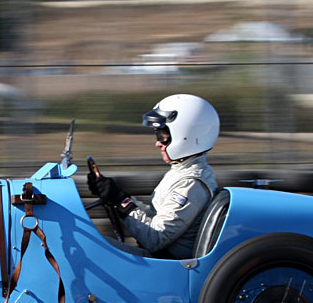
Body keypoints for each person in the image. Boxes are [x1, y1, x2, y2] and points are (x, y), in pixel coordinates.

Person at [88, 93, 219, 259]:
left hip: (167, 264)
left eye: (162, 136)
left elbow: (155, 238)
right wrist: (118, 199)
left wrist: (120, 202)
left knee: (91, 249)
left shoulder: (191, 184)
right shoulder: (183, 170)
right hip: (160, 256)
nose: (157, 143)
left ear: (186, 135)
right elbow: (156, 220)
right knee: (93, 242)